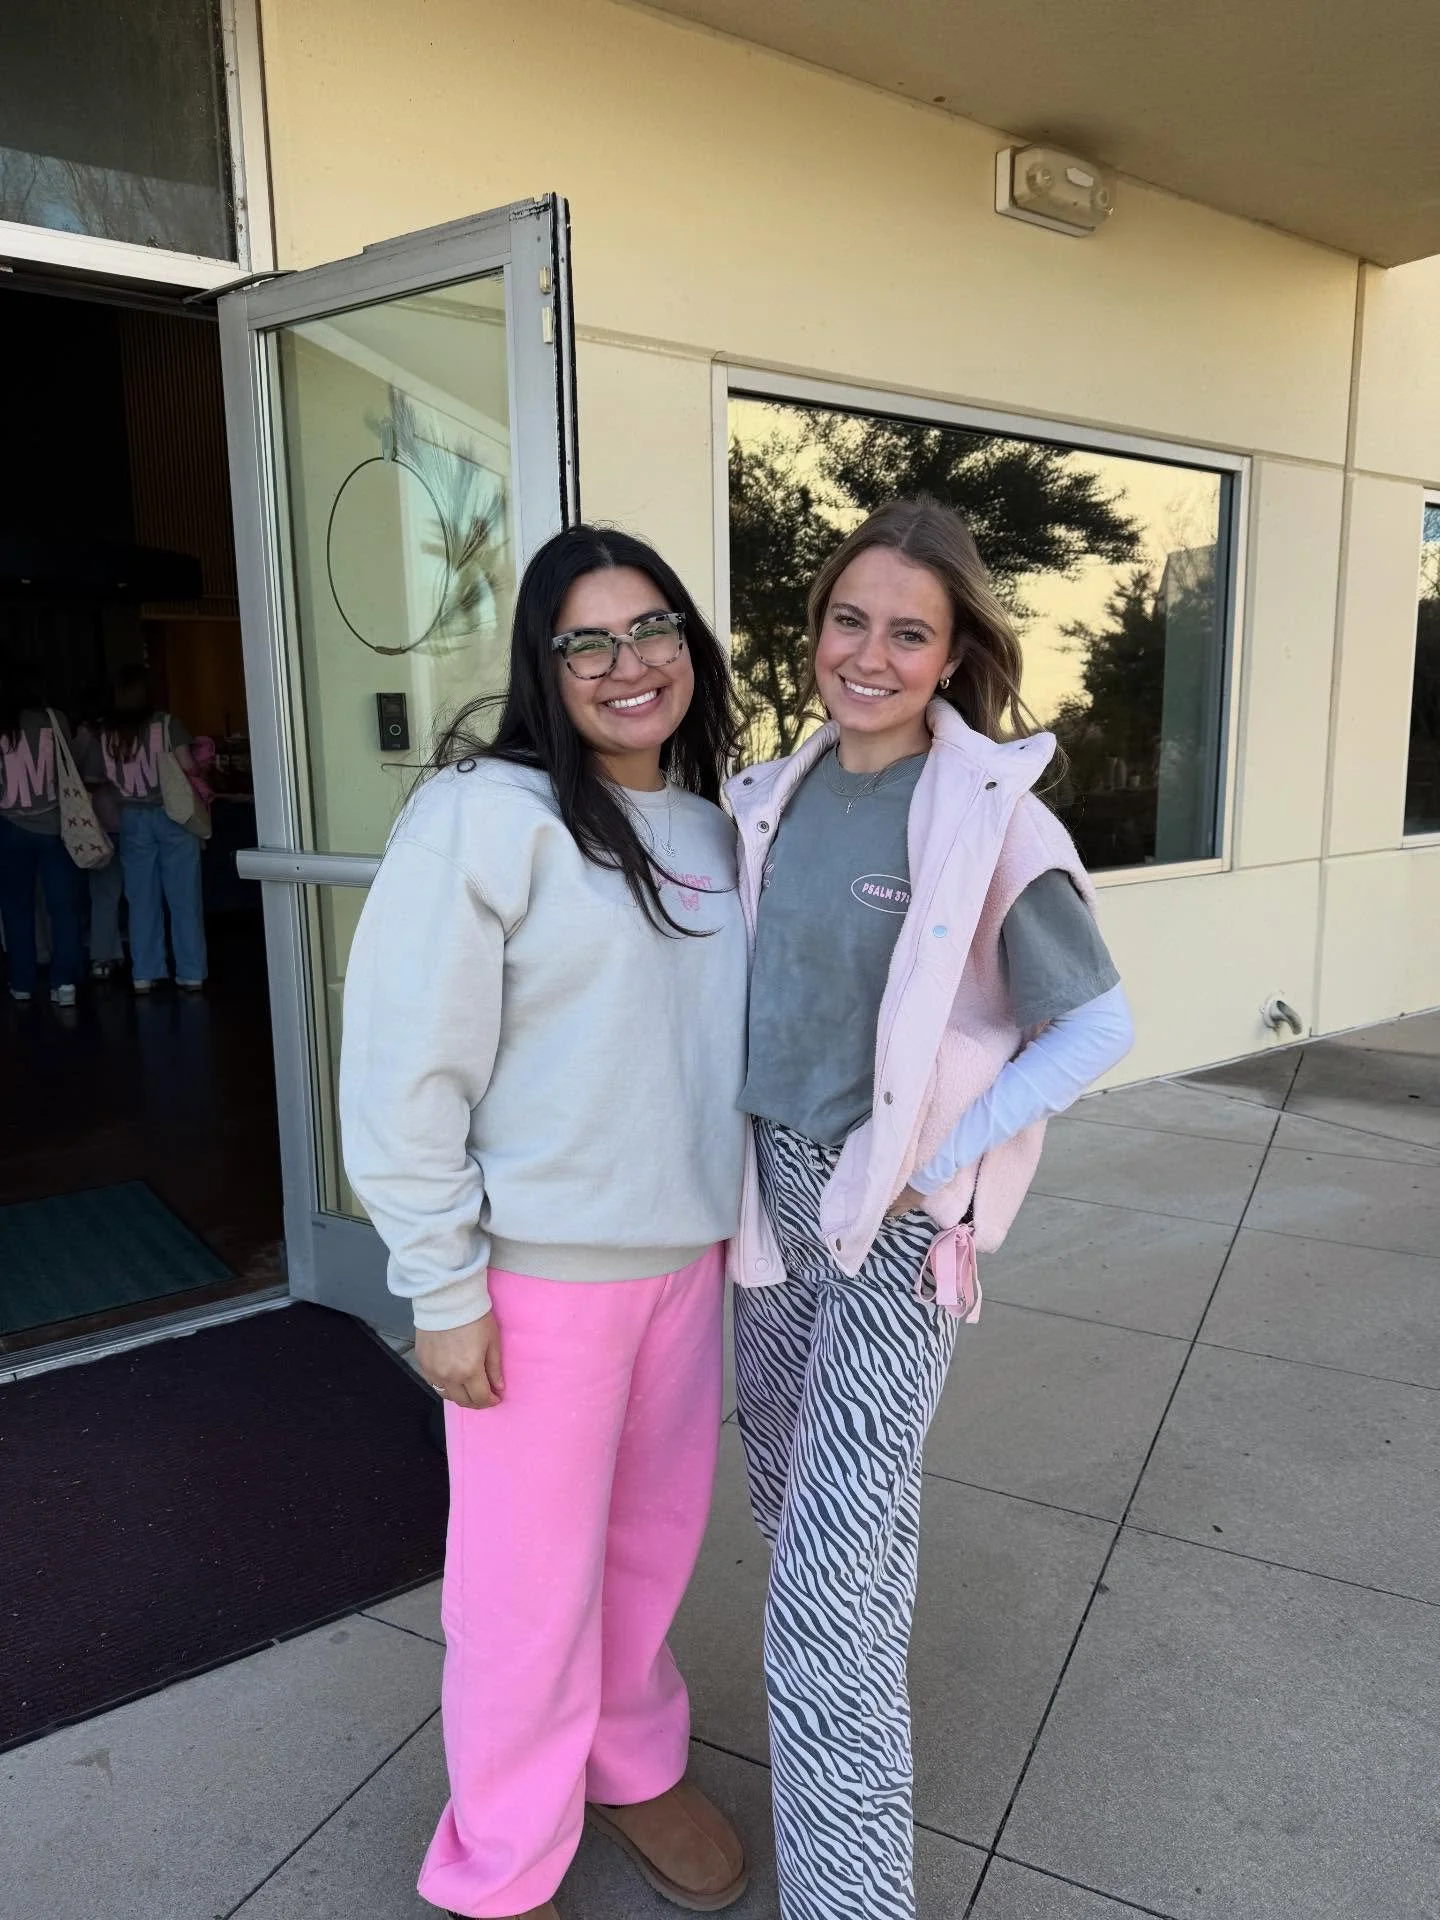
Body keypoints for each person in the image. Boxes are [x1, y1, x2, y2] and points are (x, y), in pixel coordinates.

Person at [727, 498, 1135, 1920]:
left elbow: (1094, 1031)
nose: (872, 653)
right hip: (769, 1207)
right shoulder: (772, 794)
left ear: (955, 654)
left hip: (897, 1231)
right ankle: (848, 1798)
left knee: (823, 1607)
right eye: (851, 619)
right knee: (807, 1520)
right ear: (817, 629)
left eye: (911, 632)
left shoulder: (990, 819)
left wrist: (938, 1156)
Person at [339, 526, 752, 1920]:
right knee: (525, 1597)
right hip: (538, 1284)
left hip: (686, 1265)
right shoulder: (485, 815)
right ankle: (500, 1862)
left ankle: (631, 1764)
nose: (630, 665)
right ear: (542, 663)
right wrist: (440, 1284)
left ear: (690, 645)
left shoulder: (710, 824)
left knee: (647, 1552)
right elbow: (408, 1066)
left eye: (655, 631)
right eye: (589, 641)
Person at [83, 667, 207, 994]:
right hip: (173, 814)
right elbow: (188, 766)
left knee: (140, 900)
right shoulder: (167, 725)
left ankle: (144, 972)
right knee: (184, 899)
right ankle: (191, 971)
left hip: (132, 819)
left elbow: (95, 779)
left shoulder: (106, 733)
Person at [0, 678, 85, 1006]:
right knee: (63, 907)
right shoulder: (55, 719)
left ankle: (22, 982)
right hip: (54, 824)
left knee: (16, 908)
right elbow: (69, 765)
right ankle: (64, 983)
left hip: (9, 825)